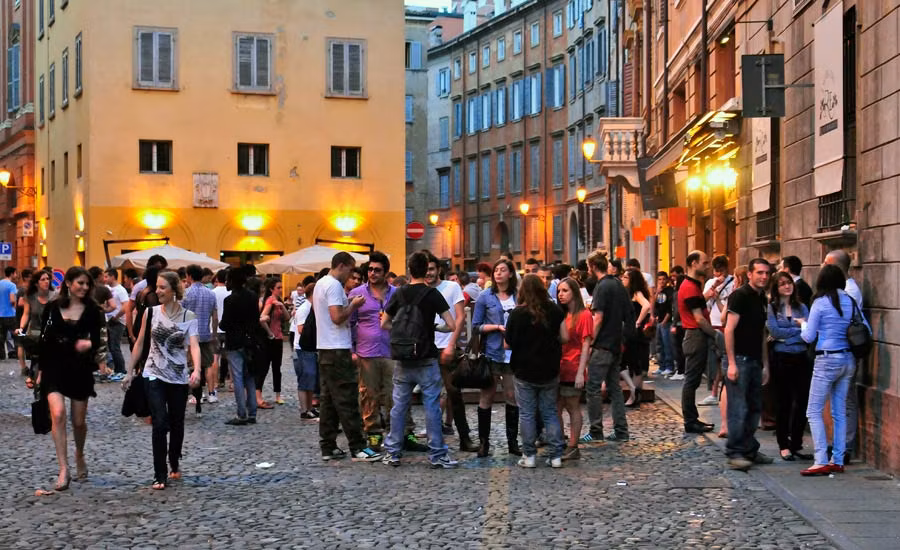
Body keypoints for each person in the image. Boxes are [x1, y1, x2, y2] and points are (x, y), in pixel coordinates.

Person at [123, 271, 201, 490]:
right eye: (157, 287)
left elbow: (193, 345)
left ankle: (174, 459)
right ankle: (159, 474)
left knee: (177, 423)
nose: (157, 291)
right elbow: (139, 343)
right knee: (159, 421)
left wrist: (197, 370)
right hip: (153, 373)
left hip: (178, 377)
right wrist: (130, 371)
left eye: (162, 287)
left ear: (174, 290)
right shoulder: (151, 313)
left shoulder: (189, 317)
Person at [380, 251, 457, 468]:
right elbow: (451, 325)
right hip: (426, 357)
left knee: (399, 406)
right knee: (431, 405)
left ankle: (393, 452)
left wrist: (403, 331)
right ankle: (437, 454)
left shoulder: (399, 293)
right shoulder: (432, 294)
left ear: (409, 269)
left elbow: (384, 324)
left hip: (403, 358)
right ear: (427, 270)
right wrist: (432, 327)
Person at [34, 268, 104, 493]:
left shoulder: (93, 310)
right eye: (80, 283)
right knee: (57, 414)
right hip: (54, 365)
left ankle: (80, 453)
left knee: (78, 421)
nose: (84, 288)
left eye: (87, 284)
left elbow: (100, 338)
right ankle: (63, 468)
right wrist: (38, 371)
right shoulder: (53, 308)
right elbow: (43, 340)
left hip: (79, 368)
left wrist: (89, 345)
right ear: (68, 283)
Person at [349, 251, 426, 453]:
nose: (373, 273)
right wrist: (351, 350)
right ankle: (373, 434)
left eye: (377, 270)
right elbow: (349, 324)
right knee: (369, 394)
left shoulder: (397, 293)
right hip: (367, 352)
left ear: (386, 272)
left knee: (399, 395)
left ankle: (403, 434)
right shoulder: (357, 294)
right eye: (370, 269)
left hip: (394, 351)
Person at [799, 264, 870, 476]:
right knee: (839, 412)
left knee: (813, 411)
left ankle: (820, 459)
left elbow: (809, 337)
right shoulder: (849, 300)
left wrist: (802, 324)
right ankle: (837, 459)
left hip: (826, 359)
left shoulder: (820, 303)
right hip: (848, 359)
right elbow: (864, 327)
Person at [313, 252, 383, 462]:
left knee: (328, 402)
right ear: (341, 266)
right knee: (347, 400)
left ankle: (328, 446)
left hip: (324, 348)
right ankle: (358, 447)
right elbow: (337, 317)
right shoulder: (334, 285)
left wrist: (348, 302)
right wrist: (353, 306)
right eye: (350, 269)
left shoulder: (320, 283)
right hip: (337, 348)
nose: (351, 274)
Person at [505, 274, 567, 468]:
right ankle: (556, 456)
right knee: (550, 412)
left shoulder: (517, 313)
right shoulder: (555, 310)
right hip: (549, 369)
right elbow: (565, 337)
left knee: (527, 413)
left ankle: (529, 455)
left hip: (524, 370)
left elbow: (507, 344)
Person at [722, 259, 773, 471]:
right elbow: (729, 329)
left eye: (767, 273)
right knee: (738, 408)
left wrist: (765, 365)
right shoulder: (740, 296)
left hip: (754, 360)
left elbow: (762, 333)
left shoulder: (762, 298)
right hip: (740, 359)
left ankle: (749, 448)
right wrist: (732, 363)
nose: (764, 276)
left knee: (754, 408)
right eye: (759, 272)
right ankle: (735, 452)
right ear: (750, 274)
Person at [425, 254, 478, 452]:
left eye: (431, 269)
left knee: (454, 393)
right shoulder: (419, 289)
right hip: (426, 348)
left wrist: (451, 344)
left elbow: (460, 317)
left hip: (446, 345)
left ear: (438, 269)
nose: (428, 273)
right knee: (430, 395)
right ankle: (433, 438)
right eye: (425, 269)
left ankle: (464, 437)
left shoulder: (451, 287)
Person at [581, 250, 634, 444]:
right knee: (614, 389)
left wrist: (591, 340)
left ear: (593, 267)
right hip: (616, 344)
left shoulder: (602, 287)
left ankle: (596, 431)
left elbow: (598, 318)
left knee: (593, 388)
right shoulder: (618, 284)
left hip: (603, 344)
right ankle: (621, 431)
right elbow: (629, 313)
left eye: (588, 267)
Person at [472, 259, 520, 457]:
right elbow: (476, 326)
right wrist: (496, 328)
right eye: (496, 270)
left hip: (514, 353)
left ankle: (512, 442)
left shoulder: (519, 296)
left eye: (503, 270)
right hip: (492, 352)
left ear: (510, 274)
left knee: (511, 396)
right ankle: (484, 442)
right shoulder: (485, 297)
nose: (498, 273)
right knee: (487, 395)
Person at [766, 271, 813, 461]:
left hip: (801, 357)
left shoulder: (801, 307)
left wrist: (787, 335)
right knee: (783, 402)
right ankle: (783, 445)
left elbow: (810, 331)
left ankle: (797, 444)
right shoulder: (772, 308)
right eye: (782, 284)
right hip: (781, 358)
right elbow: (774, 330)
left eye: (789, 283)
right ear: (776, 288)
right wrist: (798, 329)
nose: (787, 286)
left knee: (801, 402)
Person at [822, 248, 862, 463]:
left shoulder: (849, 291)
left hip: (844, 353)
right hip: (837, 352)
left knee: (846, 401)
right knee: (838, 400)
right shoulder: (839, 290)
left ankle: (845, 446)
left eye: (826, 263)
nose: (822, 266)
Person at [678, 251, 718, 434]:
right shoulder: (689, 287)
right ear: (694, 263)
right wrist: (717, 336)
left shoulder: (692, 286)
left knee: (691, 381)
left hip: (695, 335)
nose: (708, 266)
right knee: (691, 380)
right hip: (695, 336)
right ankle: (690, 421)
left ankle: (692, 419)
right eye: (705, 262)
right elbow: (699, 319)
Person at [556, 277, 592, 461]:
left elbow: (586, 345)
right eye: (559, 291)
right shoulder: (561, 314)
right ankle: (561, 442)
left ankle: (573, 445)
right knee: (556, 407)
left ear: (574, 293)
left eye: (565, 291)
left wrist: (581, 371)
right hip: (559, 366)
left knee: (572, 406)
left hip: (573, 365)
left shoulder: (583, 315)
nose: (561, 294)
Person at [220, 268, 260, 425]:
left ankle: (241, 413)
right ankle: (252, 413)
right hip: (250, 342)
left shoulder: (230, 300)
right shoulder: (252, 297)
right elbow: (255, 320)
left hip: (234, 342)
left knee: (237, 377)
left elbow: (224, 324)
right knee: (249, 376)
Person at [182, 265, 219, 411]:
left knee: (193, 365)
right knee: (208, 364)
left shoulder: (186, 293)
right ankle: (211, 392)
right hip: (205, 334)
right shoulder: (210, 293)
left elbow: (181, 315)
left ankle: (198, 394)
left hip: (190, 336)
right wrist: (214, 333)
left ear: (189, 276)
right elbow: (215, 316)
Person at [700, 255, 734, 407]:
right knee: (713, 361)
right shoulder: (710, 283)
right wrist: (713, 288)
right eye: (716, 270)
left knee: (723, 361)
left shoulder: (733, 282)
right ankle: (713, 391)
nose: (718, 274)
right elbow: (702, 302)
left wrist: (719, 296)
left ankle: (719, 392)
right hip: (712, 323)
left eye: (721, 270)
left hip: (725, 324)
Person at [18, 270, 56, 389]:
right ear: (36, 283)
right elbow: (26, 314)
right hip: (34, 331)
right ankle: (34, 376)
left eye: (47, 279)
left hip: (50, 331)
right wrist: (21, 328)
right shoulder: (30, 297)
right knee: (37, 354)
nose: (46, 281)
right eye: (43, 279)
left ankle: (38, 377)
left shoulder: (55, 295)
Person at [622, 269, 652, 407]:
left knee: (633, 363)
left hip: (634, 333)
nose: (623, 279)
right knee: (632, 363)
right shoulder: (629, 293)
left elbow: (646, 306)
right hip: (631, 331)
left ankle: (634, 393)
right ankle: (635, 393)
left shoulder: (636, 293)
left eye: (626, 277)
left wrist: (637, 322)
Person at [258, 278, 288, 407]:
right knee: (264, 367)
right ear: (272, 289)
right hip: (269, 339)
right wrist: (269, 332)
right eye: (278, 288)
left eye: (281, 287)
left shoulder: (279, 301)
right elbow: (262, 319)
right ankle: (258, 393)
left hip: (279, 338)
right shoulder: (270, 301)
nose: (281, 290)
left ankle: (278, 395)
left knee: (277, 367)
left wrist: (282, 307)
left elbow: (287, 318)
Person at [293, 282, 318, 419]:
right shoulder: (305, 308)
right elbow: (301, 328)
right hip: (302, 348)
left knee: (311, 378)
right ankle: (304, 409)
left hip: (309, 348)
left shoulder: (311, 307)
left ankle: (310, 408)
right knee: (306, 377)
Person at [103, 268, 129, 382]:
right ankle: (114, 369)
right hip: (109, 320)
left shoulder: (121, 290)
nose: (105, 279)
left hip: (117, 321)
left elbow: (125, 306)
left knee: (115, 346)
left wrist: (116, 317)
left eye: (106, 276)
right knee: (110, 346)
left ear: (113, 276)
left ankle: (122, 371)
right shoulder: (108, 288)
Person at [211, 270, 231, 390]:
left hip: (214, 329)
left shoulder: (212, 293)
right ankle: (232, 384)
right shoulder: (231, 292)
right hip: (229, 329)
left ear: (217, 279)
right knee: (230, 358)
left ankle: (215, 383)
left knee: (214, 358)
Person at [652, 271, 676, 377]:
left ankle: (669, 366)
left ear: (667, 280)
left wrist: (665, 321)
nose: (662, 281)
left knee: (667, 345)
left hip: (666, 322)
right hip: (659, 321)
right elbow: (653, 304)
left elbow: (670, 309)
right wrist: (657, 292)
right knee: (659, 345)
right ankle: (661, 366)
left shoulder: (670, 291)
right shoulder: (659, 292)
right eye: (659, 279)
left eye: (663, 279)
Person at [0, 266, 18, 360]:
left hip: (0, 315)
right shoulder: (12, 285)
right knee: (16, 335)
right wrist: (16, 306)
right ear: (12, 274)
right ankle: (15, 353)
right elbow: (12, 300)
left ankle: (1, 355)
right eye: (15, 273)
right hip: (10, 314)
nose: (16, 275)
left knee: (1, 336)